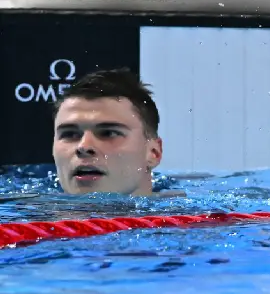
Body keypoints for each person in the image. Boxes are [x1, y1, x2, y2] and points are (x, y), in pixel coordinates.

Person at [50, 68, 179, 197]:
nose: (84, 147)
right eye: (69, 134)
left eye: (108, 133)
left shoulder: (190, 213)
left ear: (154, 153)